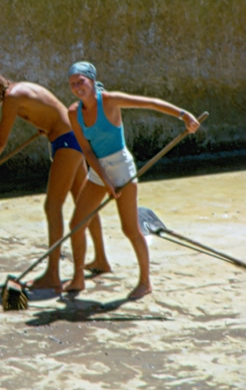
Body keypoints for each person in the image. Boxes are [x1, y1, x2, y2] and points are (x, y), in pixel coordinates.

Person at [65, 61, 200, 300]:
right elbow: (86, 149)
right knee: (77, 223)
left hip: (121, 168)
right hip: (98, 170)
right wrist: (104, 180)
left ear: (92, 81)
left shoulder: (109, 100)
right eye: (73, 84)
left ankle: (145, 282)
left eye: (81, 81)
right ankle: (78, 277)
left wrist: (183, 114)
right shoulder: (72, 112)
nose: (77, 87)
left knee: (130, 228)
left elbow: (149, 103)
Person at [0, 70, 111, 291]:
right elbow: (50, 110)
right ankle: (100, 259)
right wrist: (48, 126)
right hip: (74, 136)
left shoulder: (12, 95)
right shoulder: (20, 90)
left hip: (68, 141)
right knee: (83, 200)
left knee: (53, 206)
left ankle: (52, 274)